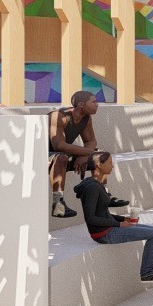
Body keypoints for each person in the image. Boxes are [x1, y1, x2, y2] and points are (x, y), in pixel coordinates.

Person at [74, 152, 153, 283]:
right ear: (99, 165)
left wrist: (123, 219)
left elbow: (101, 212)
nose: (113, 166)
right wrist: (119, 225)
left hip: (109, 227)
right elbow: (91, 218)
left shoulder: (96, 184)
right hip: (104, 233)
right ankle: (147, 273)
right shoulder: (92, 187)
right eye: (110, 163)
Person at [49, 90, 99, 218]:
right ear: (81, 104)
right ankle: (58, 204)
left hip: (64, 154)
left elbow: (91, 141)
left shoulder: (86, 118)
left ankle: (103, 197)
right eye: (94, 102)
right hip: (43, 154)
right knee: (61, 158)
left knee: (102, 158)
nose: (97, 104)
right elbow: (58, 145)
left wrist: (84, 155)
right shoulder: (58, 116)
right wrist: (88, 152)